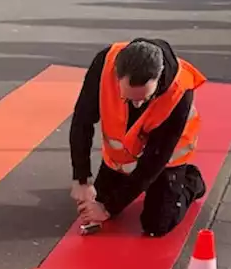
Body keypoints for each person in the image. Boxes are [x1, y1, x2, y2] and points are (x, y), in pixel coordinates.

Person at [68, 38, 207, 238]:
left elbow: (154, 161)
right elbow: (82, 121)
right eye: (128, 98)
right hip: (123, 157)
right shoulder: (104, 64)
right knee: (101, 199)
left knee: (156, 225)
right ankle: (124, 186)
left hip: (164, 159)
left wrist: (108, 209)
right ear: (117, 75)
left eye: (144, 98)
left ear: (159, 80)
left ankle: (191, 180)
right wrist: (81, 178)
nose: (137, 105)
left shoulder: (180, 91)